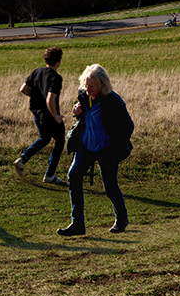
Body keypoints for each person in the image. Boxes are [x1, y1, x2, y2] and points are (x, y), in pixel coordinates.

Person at [57, 64, 134, 236]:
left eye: (91, 86)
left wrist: (115, 147)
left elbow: (128, 126)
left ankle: (121, 219)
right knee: (73, 176)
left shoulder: (113, 101)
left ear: (102, 85)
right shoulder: (84, 95)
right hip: (86, 146)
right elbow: (84, 115)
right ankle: (77, 224)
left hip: (107, 149)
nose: (87, 88)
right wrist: (77, 112)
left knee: (109, 186)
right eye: (85, 84)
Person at [14, 46, 68, 186]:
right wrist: (56, 116)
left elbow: (23, 89)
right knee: (60, 142)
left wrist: (36, 96)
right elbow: (50, 100)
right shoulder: (56, 78)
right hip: (49, 115)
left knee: (44, 138)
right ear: (58, 61)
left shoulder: (37, 72)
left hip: (36, 113)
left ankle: (23, 159)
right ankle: (50, 175)